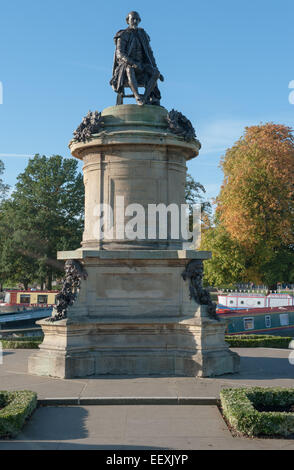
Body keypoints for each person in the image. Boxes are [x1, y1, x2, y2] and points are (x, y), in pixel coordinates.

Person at [110, 11, 164, 106]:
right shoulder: (123, 34)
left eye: (137, 19)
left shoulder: (143, 35)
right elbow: (120, 53)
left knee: (155, 73)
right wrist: (133, 63)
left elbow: (150, 54)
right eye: (132, 19)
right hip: (127, 66)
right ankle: (137, 96)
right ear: (128, 21)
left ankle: (145, 97)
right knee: (129, 69)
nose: (135, 21)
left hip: (142, 66)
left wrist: (156, 69)